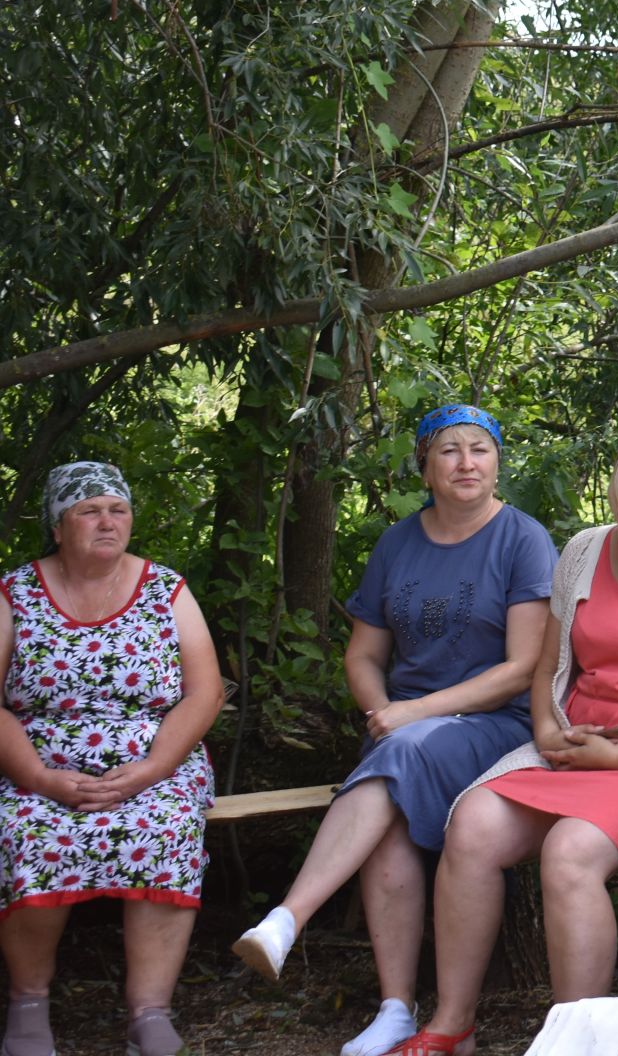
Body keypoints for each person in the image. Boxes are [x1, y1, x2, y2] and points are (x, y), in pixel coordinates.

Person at [399, 429, 618, 1056]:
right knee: (473, 823)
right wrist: (546, 731)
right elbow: (548, 668)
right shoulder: (584, 552)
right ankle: (452, 1023)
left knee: (569, 851)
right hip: (577, 742)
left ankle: (574, 1041)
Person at [233, 405, 554, 1056]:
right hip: (402, 730)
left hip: (493, 726)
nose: (466, 463)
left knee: (398, 758)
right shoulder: (397, 543)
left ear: (497, 463)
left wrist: (412, 715)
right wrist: (383, 708)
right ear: (425, 468)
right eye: (449, 452)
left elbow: (523, 668)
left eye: (479, 450)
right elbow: (362, 655)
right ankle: (395, 1009)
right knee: (391, 814)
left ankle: (289, 918)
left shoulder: (523, 539)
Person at [2, 462, 222, 1056]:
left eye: (117, 509)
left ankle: (149, 1013)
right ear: (58, 524)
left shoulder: (165, 588)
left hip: (155, 761)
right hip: (39, 766)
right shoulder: (14, 593)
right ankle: (27, 1006)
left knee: (164, 827)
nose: (107, 521)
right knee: (32, 834)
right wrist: (40, 779)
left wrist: (151, 770)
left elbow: (205, 692)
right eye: (89, 511)